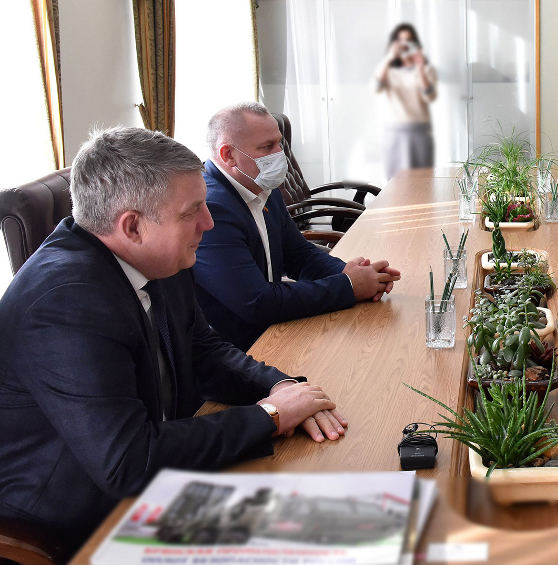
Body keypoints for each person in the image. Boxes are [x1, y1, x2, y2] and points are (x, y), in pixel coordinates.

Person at [0, 127, 349, 552]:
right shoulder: (65, 302)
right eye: (192, 211)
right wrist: (270, 416)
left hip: (155, 470)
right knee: (335, 534)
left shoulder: (154, 255)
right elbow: (128, 462)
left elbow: (203, 348)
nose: (209, 223)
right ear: (133, 226)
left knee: (345, 506)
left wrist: (279, 387)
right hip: (77, 519)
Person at [194, 102, 401, 351]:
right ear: (228, 155)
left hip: (276, 329)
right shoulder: (212, 208)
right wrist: (348, 285)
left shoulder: (262, 186)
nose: (280, 154)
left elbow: (300, 255)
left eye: (279, 143)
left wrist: (355, 274)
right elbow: (257, 303)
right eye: (267, 147)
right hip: (240, 349)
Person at [373, 23, 437, 179]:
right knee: (394, 182)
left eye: (409, 40)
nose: (404, 45)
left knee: (422, 181)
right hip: (394, 133)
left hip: (420, 133)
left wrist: (420, 68)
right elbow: (377, 87)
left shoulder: (427, 69)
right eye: (400, 40)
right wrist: (389, 57)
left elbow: (429, 96)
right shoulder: (387, 69)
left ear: (415, 43)